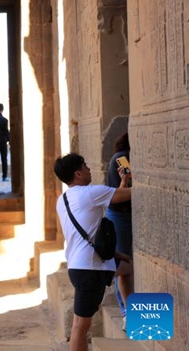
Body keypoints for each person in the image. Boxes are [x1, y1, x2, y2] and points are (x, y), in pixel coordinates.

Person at [54, 153, 133, 351]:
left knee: (127, 268)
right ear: (78, 173)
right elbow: (130, 194)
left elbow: (83, 232)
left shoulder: (62, 199)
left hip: (81, 264)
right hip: (89, 270)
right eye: (86, 166)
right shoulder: (90, 193)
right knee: (80, 326)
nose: (89, 169)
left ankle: (130, 316)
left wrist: (123, 182)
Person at [105, 133, 133, 321]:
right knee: (123, 264)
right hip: (119, 215)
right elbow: (123, 192)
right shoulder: (121, 158)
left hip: (125, 214)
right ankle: (125, 311)